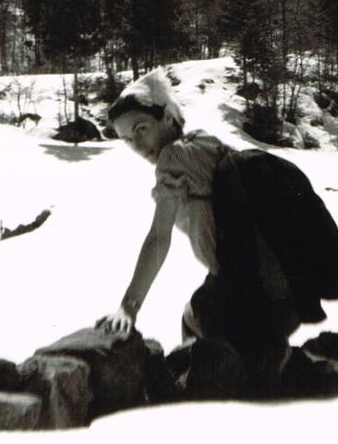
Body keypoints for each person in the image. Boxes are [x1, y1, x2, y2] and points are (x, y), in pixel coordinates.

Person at [97, 69, 301, 394]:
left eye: (141, 129)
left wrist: (129, 306)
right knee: (197, 310)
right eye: (126, 139)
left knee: (195, 330)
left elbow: (158, 237)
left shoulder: (173, 159)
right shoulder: (206, 141)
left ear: (166, 117)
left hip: (241, 299)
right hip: (287, 292)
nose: (137, 145)